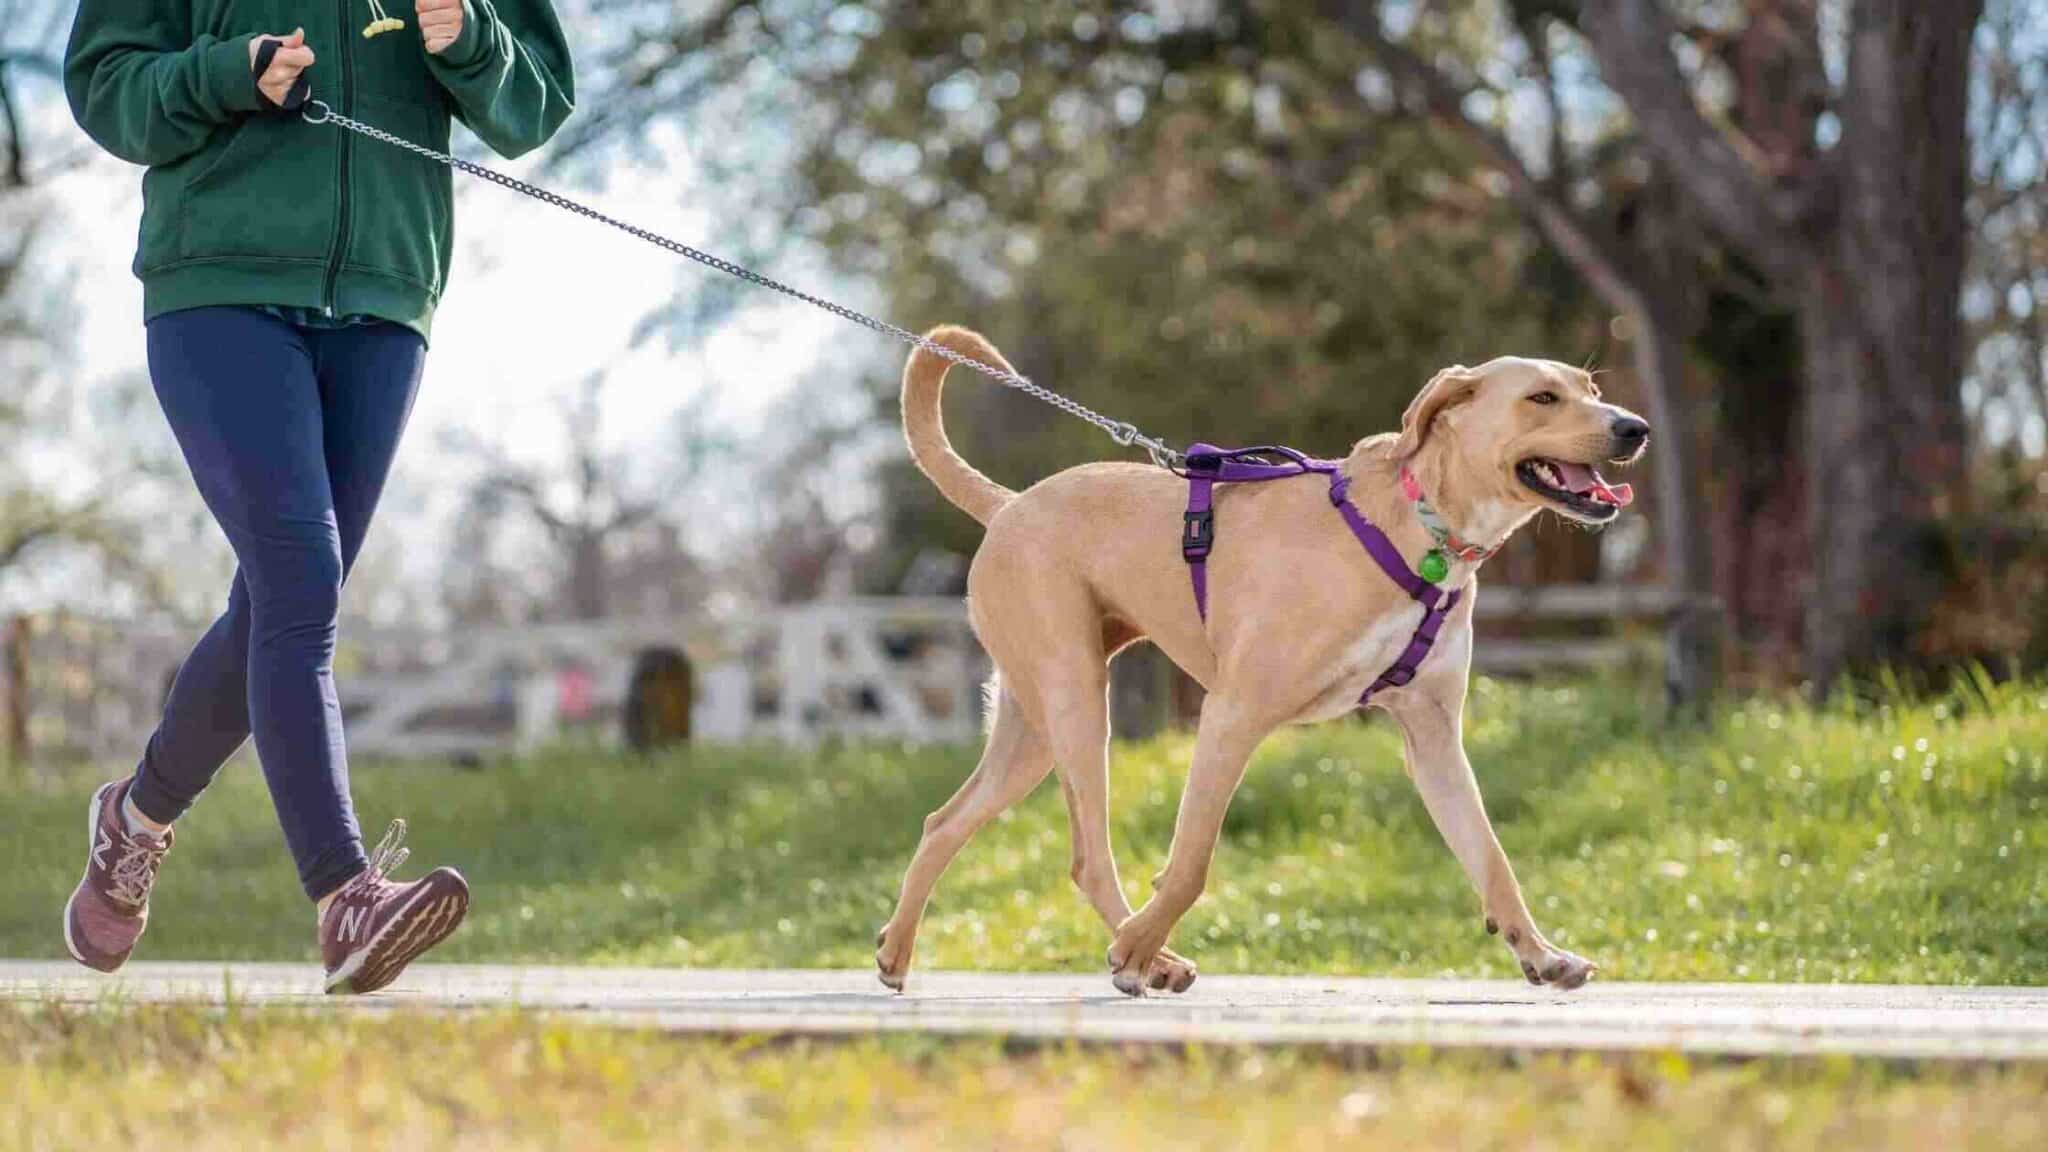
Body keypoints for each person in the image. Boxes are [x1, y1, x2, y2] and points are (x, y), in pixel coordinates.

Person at [61, 0, 574, 993]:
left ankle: (134, 820)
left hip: (384, 300)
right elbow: (105, 85)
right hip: (218, 288)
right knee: (300, 581)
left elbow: (534, 102)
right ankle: (346, 896)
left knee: (278, 599)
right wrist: (222, 75)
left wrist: (469, 39)